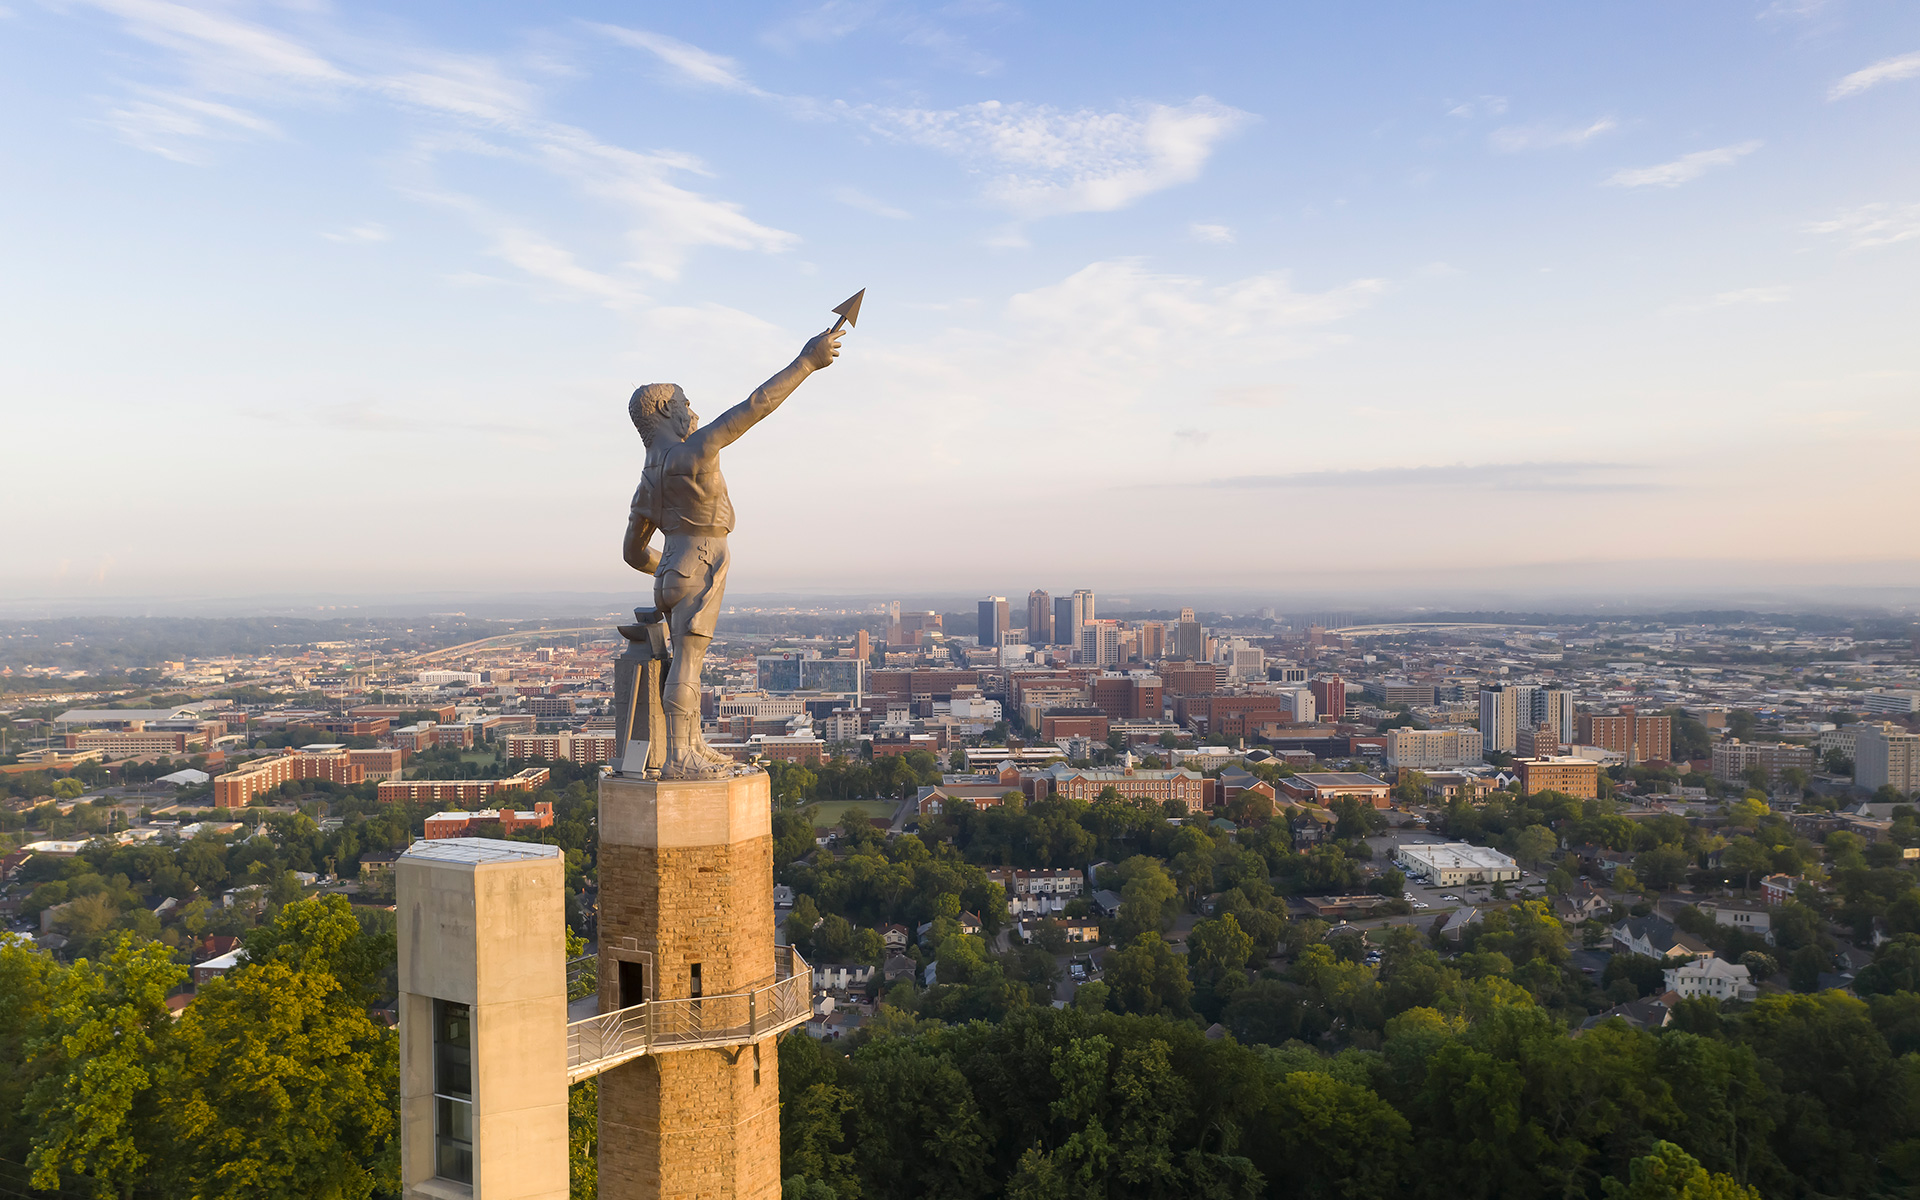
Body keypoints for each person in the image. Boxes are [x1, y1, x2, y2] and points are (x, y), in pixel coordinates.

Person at [623, 325, 845, 779]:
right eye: (685, 403)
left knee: (689, 663)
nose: (692, 410)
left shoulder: (648, 480)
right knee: (687, 660)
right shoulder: (694, 454)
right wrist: (807, 362)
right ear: (666, 409)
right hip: (702, 561)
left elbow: (632, 551)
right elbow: (755, 406)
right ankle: (680, 758)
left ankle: (692, 745)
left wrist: (664, 573)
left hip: (670, 567)